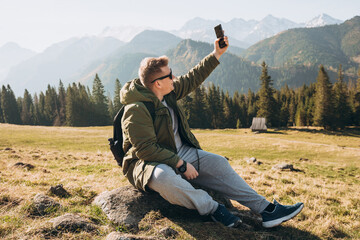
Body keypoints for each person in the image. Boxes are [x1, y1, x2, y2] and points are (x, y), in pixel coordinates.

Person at [119, 35, 304, 228]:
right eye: (170, 74)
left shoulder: (169, 92)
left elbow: (193, 77)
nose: (174, 77)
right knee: (163, 178)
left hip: (180, 152)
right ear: (157, 83)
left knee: (219, 162)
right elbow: (146, 150)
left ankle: (267, 210)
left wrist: (216, 54)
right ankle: (214, 209)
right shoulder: (136, 109)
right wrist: (180, 164)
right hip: (148, 163)